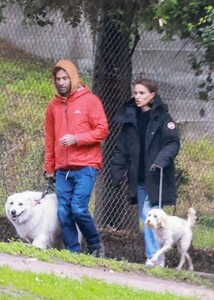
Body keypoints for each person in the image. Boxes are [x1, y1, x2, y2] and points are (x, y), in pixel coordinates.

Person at [110, 78, 180, 267]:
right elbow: (121, 148)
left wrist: (161, 160)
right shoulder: (131, 119)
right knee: (147, 216)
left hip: (155, 176)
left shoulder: (163, 119)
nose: (137, 97)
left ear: (152, 95)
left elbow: (172, 143)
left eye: (142, 93)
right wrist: (117, 171)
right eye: (135, 93)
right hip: (138, 177)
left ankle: (154, 257)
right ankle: (157, 257)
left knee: (148, 215)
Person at [44, 59, 109, 257]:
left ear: (73, 78)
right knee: (63, 212)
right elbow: (50, 139)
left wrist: (77, 139)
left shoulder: (90, 101)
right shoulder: (53, 106)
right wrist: (49, 168)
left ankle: (95, 245)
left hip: (86, 165)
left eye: (65, 78)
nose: (61, 82)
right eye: (58, 79)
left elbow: (103, 130)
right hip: (63, 169)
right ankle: (73, 252)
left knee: (78, 208)